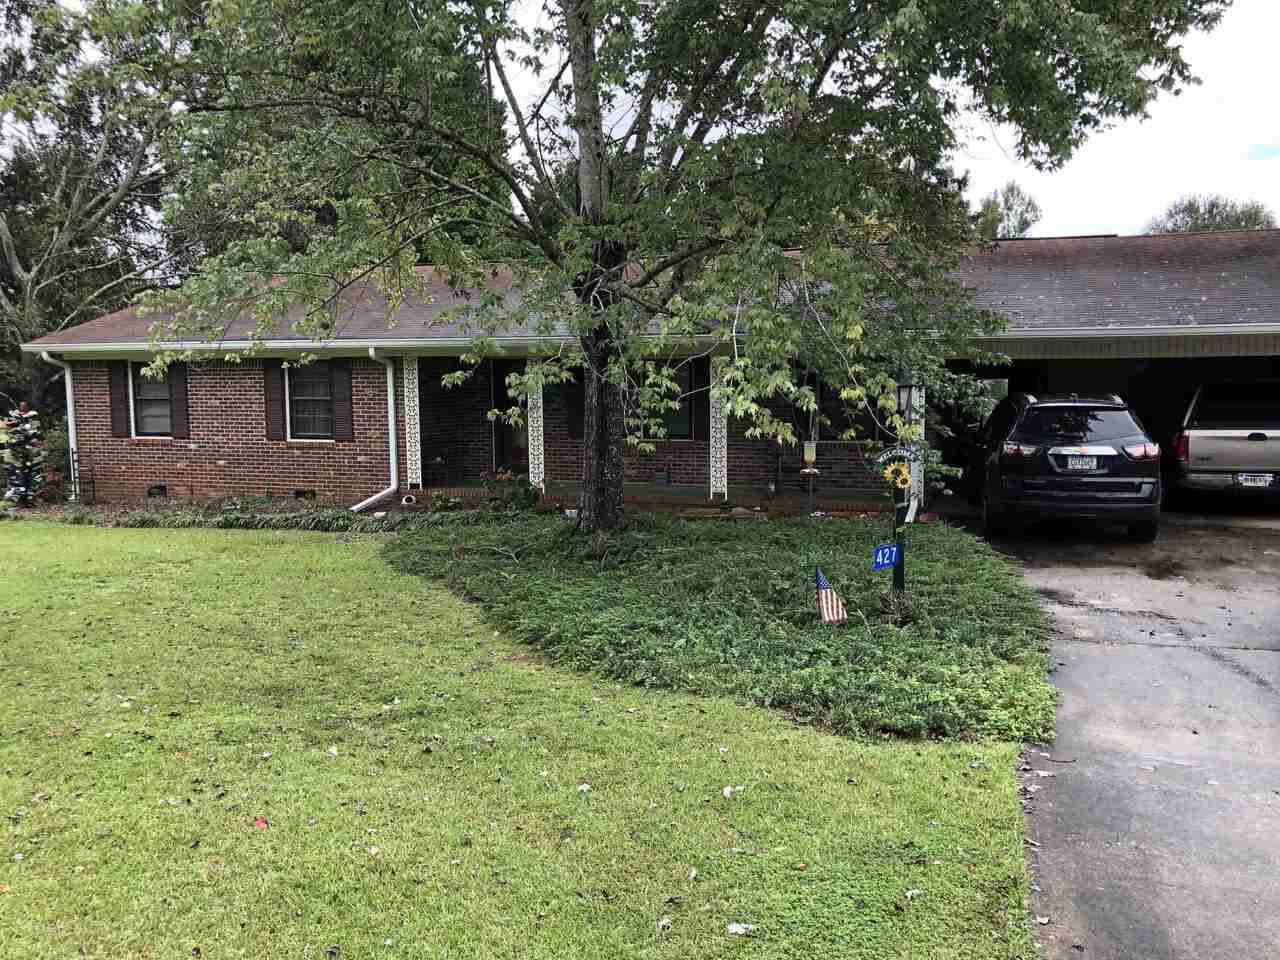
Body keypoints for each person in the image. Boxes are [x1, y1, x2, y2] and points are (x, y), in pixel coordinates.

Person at [3, 402, 45, 505]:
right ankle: (19, 494)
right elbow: (8, 426)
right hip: (18, 451)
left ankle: (29, 494)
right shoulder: (15, 417)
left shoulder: (32, 418)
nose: (23, 407)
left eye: (24, 406)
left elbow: (36, 431)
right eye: (21, 406)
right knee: (17, 471)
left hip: (29, 451)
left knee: (31, 472)